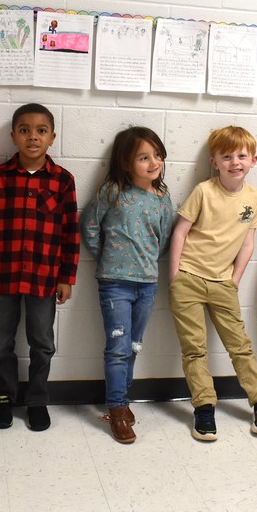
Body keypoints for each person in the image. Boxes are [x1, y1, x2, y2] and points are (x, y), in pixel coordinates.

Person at [168, 125, 257, 441]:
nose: (235, 162)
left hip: (223, 284)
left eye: (241, 155)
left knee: (239, 346)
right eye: (226, 156)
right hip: (188, 278)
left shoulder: (254, 198)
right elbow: (180, 232)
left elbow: (247, 242)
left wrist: (234, 280)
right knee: (194, 350)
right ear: (214, 161)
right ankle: (204, 409)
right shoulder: (203, 191)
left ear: (253, 160)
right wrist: (175, 277)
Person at [0, 103, 79, 433]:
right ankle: (3, 397)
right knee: (1, 343)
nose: (32, 137)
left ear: (52, 137)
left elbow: (70, 233)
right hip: (4, 277)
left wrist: (66, 278)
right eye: (24, 130)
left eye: (40, 130)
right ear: (13, 136)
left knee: (42, 343)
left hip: (45, 278)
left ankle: (37, 399)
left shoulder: (63, 180)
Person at [80, 126, 175, 444]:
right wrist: (109, 259)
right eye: (143, 157)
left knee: (133, 346)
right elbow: (90, 227)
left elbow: (163, 239)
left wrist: (145, 263)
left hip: (147, 283)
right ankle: (118, 408)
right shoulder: (112, 191)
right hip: (114, 283)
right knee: (118, 348)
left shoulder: (163, 196)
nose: (153, 163)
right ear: (125, 162)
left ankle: (122, 397)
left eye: (157, 155)